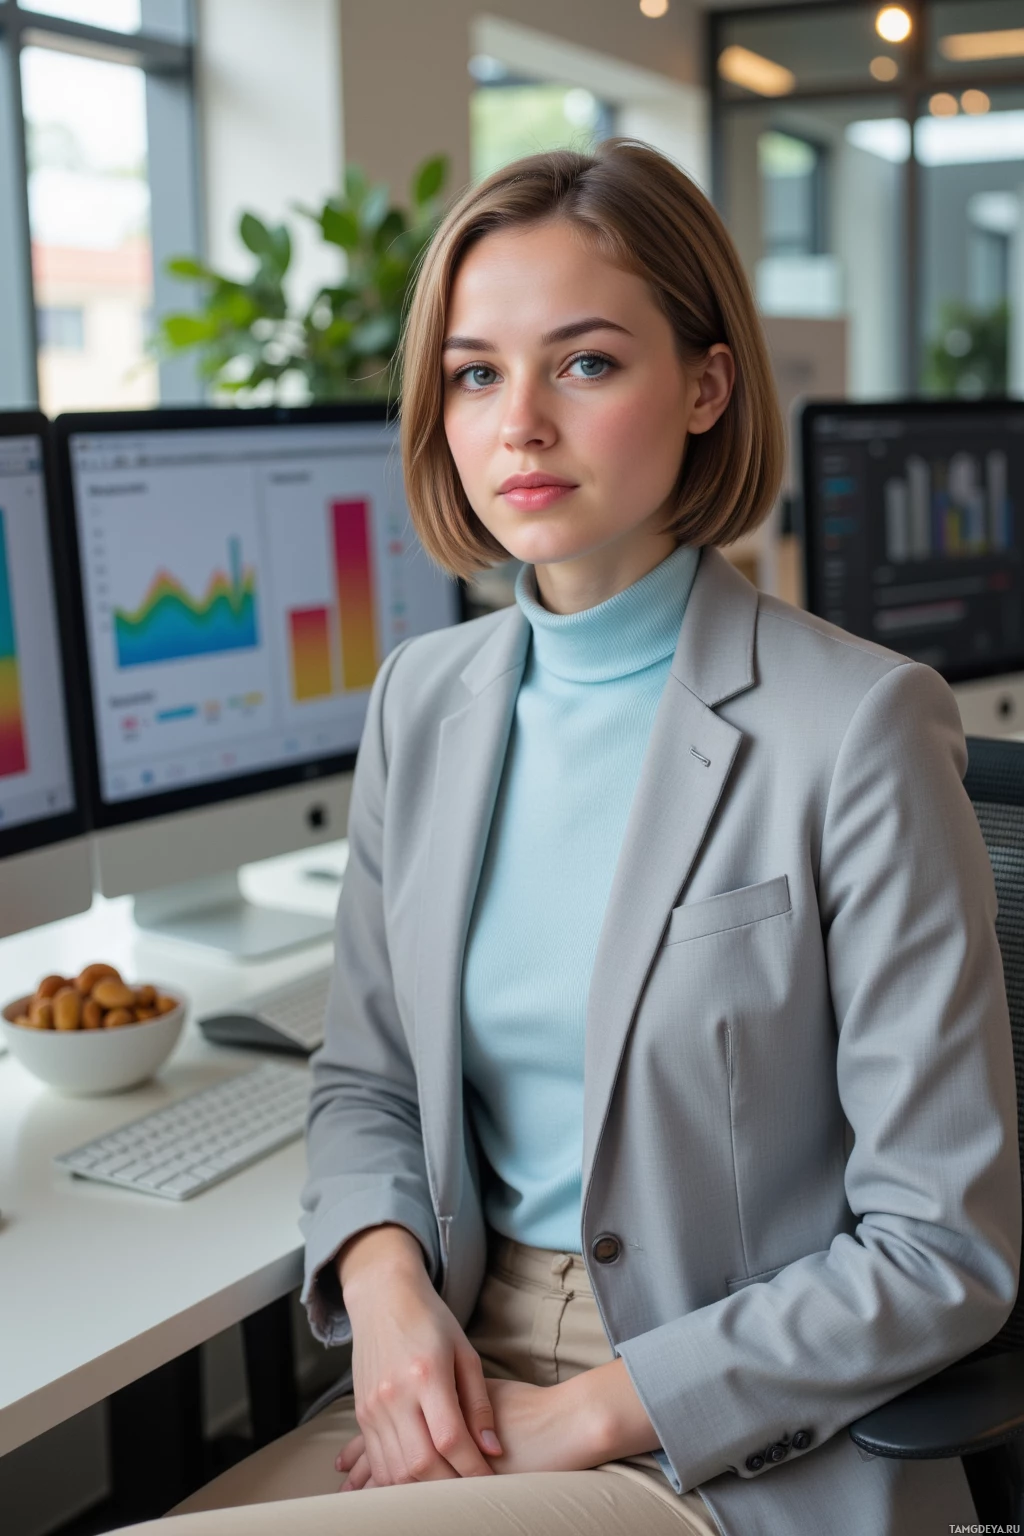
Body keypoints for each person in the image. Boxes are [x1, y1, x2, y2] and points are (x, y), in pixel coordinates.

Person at [129, 140, 1019, 1536]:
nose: (518, 424)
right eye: (477, 372)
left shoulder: (858, 726)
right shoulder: (424, 703)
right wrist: (381, 1290)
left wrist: (595, 1411)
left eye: (586, 363)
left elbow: (941, 1247)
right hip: (453, 1381)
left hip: (728, 1441)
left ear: (708, 386)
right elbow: (366, 1082)